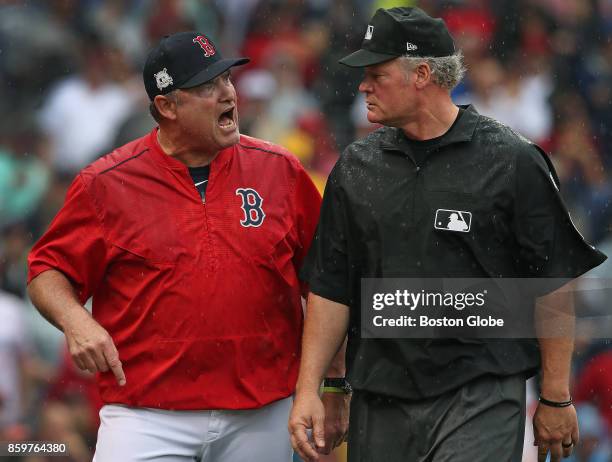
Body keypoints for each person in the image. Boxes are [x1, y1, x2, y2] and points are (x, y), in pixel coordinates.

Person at [288, 7, 606, 462]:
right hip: (381, 396)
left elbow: (552, 282)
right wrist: (322, 387)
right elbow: (332, 288)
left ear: (421, 74)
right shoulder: (355, 168)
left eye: (376, 74)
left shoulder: (511, 159)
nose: (362, 86)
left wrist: (556, 395)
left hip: (480, 392)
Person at [27, 31, 347, 462]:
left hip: (261, 410)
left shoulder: (280, 170)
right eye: (206, 86)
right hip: (145, 415)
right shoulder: (106, 182)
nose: (227, 94)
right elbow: (46, 268)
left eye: (226, 80)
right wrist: (74, 320)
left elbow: (327, 284)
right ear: (167, 106)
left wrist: (331, 384)